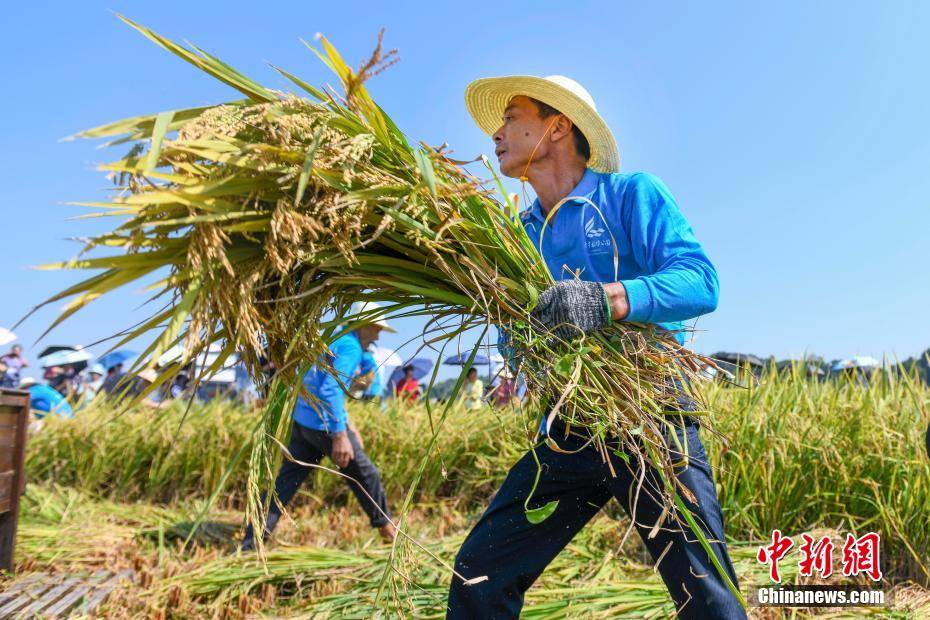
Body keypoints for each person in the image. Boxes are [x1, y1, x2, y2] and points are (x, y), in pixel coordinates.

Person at [446, 76, 743, 619]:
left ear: (557, 125)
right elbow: (518, 327)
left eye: (512, 116)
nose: (497, 130)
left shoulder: (629, 195)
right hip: (572, 427)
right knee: (478, 579)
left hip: (648, 411)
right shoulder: (520, 234)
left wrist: (607, 299)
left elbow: (702, 281)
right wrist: (517, 362)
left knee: (707, 599)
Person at [242, 302, 398, 550]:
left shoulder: (334, 338)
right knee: (367, 476)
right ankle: (389, 531)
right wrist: (340, 435)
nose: (378, 335)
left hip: (304, 423)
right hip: (325, 428)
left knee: (283, 485)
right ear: (364, 324)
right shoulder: (350, 346)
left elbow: (322, 383)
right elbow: (329, 388)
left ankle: (251, 544)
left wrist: (348, 424)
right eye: (376, 328)